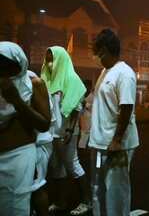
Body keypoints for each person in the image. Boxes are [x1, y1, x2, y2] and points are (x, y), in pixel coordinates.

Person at [89, 29, 139, 216]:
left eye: (97, 51)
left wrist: (117, 139)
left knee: (116, 191)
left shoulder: (124, 73)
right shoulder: (105, 71)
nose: (95, 56)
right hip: (100, 142)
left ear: (105, 50)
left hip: (116, 145)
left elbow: (126, 107)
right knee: (100, 188)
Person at [0, 41, 51, 216]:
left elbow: (44, 124)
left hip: (19, 155)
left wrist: (17, 101)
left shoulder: (33, 83)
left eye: (7, 66)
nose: (4, 72)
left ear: (19, 64)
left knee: (17, 206)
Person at [41, 46, 90, 215]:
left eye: (52, 59)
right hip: (52, 132)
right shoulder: (47, 78)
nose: (49, 63)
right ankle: (61, 201)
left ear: (61, 59)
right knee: (57, 167)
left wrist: (70, 129)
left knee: (72, 164)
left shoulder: (71, 78)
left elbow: (77, 105)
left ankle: (86, 201)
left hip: (66, 131)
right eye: (47, 59)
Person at [28, 70, 54, 216]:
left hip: (37, 143)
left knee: (37, 187)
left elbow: (45, 121)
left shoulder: (33, 81)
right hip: (28, 143)